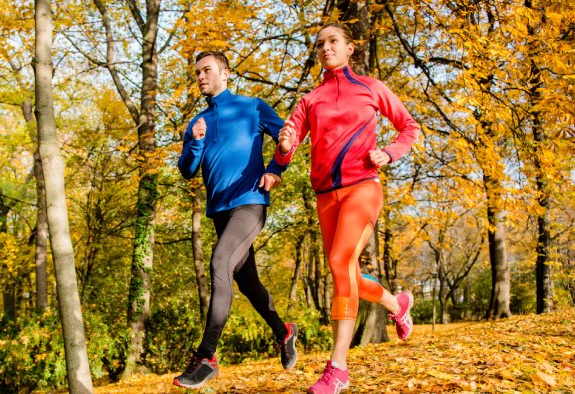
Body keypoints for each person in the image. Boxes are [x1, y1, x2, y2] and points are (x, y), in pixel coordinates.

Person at [274, 23, 419, 394]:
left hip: (363, 188)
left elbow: (409, 126)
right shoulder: (309, 100)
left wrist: (388, 153)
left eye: (333, 42)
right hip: (326, 196)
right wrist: (286, 143)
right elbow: (286, 150)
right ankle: (396, 302)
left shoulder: (371, 87)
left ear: (350, 48)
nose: (325, 48)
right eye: (320, 44)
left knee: (341, 263)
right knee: (345, 271)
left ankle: (337, 367)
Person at [173, 51, 298, 389]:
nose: (200, 76)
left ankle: (207, 356)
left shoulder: (252, 107)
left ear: (225, 74)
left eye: (207, 70)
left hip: (250, 203)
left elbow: (288, 138)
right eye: (197, 72)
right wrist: (195, 143)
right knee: (246, 283)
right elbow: (186, 170)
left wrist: (275, 169)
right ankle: (283, 331)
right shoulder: (197, 122)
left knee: (219, 262)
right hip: (220, 211)